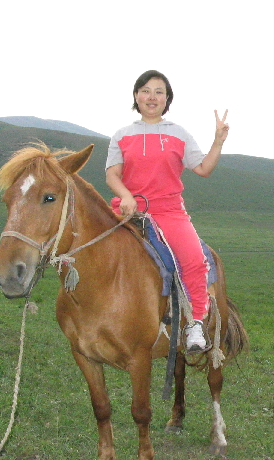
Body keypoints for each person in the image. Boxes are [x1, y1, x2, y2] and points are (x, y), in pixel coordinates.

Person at [105, 70, 229, 353]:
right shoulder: (122, 135)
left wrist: (218, 141)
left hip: (169, 211)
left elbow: (203, 169)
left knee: (194, 259)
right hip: (128, 209)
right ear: (136, 96)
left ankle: (195, 322)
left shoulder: (178, 133)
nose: (152, 97)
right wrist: (126, 196)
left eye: (159, 92)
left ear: (167, 99)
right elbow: (112, 175)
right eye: (146, 91)